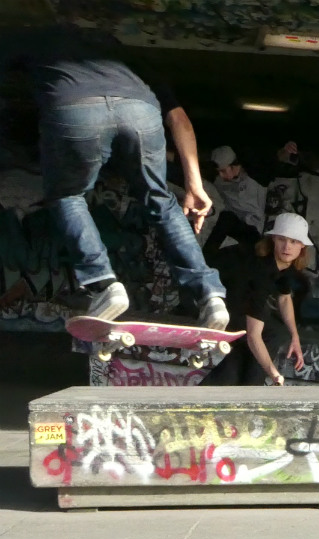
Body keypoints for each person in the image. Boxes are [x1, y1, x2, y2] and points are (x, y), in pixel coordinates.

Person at [0, 24, 228, 327]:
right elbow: (179, 120)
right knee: (161, 202)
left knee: (67, 195)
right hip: (141, 113)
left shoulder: (39, 37)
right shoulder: (127, 56)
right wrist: (195, 184)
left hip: (75, 109)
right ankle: (210, 296)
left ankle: (103, 284)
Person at [200, 212, 309, 386]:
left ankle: (237, 390)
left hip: (232, 295)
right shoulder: (261, 274)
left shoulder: (285, 267)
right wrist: (274, 374)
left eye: (293, 241)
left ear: (302, 246)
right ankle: (250, 389)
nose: (287, 247)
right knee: (267, 334)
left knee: (263, 339)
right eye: (282, 239)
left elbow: (285, 298)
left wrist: (295, 336)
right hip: (209, 296)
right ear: (273, 239)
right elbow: (253, 336)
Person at [203, 141, 298, 260]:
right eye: (219, 172)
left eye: (223, 171)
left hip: (252, 231)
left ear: (234, 165)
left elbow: (274, 161)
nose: (221, 176)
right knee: (227, 217)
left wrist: (286, 151)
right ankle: (203, 261)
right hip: (234, 224)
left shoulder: (256, 176)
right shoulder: (217, 179)